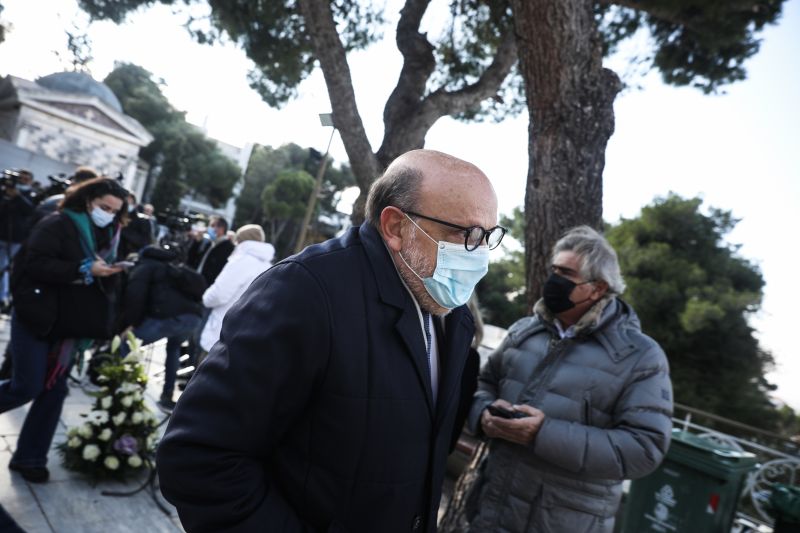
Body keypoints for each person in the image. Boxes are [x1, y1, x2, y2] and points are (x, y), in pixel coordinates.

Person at [156, 149, 505, 532]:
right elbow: (200, 457)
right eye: (466, 234)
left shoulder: (451, 313)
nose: (480, 255)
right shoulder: (305, 291)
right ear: (395, 226)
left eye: (489, 236)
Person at [466, 225, 674, 533]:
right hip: (491, 513)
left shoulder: (640, 357)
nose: (553, 280)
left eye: (566, 274)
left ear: (598, 289)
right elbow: (483, 385)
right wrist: (483, 415)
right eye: (554, 270)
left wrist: (542, 434)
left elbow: (644, 449)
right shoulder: (524, 331)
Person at [0, 177, 129, 483]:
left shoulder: (109, 234)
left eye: (115, 211)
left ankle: (30, 458)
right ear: (88, 200)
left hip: (70, 324)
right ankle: (30, 456)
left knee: (55, 390)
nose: (109, 214)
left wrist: (111, 272)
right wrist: (83, 268)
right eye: (104, 207)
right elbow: (33, 265)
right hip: (36, 317)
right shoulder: (57, 223)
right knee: (27, 386)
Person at [120, 244, 206, 411]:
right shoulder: (172, 267)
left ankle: (125, 389)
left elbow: (135, 298)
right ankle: (167, 396)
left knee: (127, 344)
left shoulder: (144, 267)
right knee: (173, 349)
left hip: (169, 318)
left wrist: (130, 324)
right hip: (192, 318)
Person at [198, 224, 274, 355]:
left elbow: (219, 294)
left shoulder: (241, 260)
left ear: (240, 240)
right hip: (243, 335)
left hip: (220, 330)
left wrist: (205, 299)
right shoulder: (268, 266)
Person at [0, 169, 36, 308]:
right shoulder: (4, 192)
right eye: (20, 178)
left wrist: (17, 196)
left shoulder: (30, 195)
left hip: (15, 238)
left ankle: (3, 297)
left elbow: (30, 210)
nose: (22, 181)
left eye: (26, 179)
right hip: (2, 233)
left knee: (4, 267)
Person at [118, 193, 154, 259]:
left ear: (135, 205)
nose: (127, 205)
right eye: (126, 203)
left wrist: (123, 232)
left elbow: (145, 240)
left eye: (130, 203)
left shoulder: (143, 220)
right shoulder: (115, 215)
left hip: (130, 254)